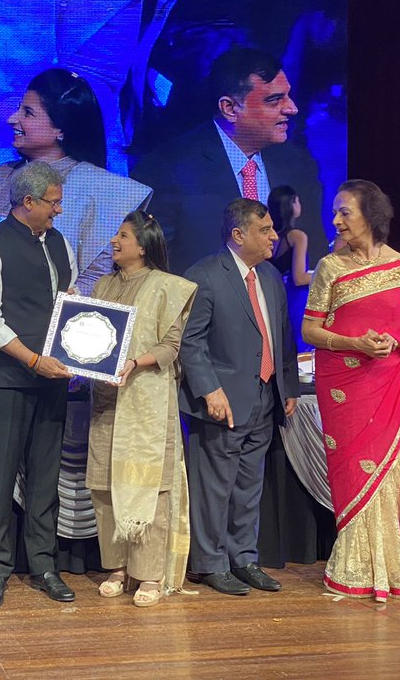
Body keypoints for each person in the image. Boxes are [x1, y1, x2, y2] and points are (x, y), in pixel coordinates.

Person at [301, 180, 400, 602]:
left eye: (344, 212)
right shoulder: (330, 268)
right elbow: (309, 329)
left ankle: (394, 569)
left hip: (393, 387)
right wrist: (355, 344)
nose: (335, 220)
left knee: (390, 474)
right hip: (345, 390)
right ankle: (354, 567)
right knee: (356, 472)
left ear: (370, 215)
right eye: (334, 212)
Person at [0, 161, 77, 608]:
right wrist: (34, 360)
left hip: (52, 379)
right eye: (53, 203)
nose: (59, 211)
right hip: (9, 380)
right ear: (27, 202)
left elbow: (66, 307)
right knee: (0, 475)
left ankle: (44, 564)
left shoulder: (59, 242)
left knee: (45, 476)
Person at [179, 198, 298, 596]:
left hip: (265, 398)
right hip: (222, 402)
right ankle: (210, 563)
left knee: (249, 485)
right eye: (265, 230)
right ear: (238, 234)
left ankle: (244, 558)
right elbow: (190, 341)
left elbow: (281, 336)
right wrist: (210, 389)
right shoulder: (205, 275)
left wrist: (289, 388)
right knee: (214, 486)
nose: (273, 236)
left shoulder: (268, 277)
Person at [131, 48, 325, 274]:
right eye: (274, 100)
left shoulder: (298, 164)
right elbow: (151, 268)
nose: (292, 108)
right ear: (230, 108)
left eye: (288, 96)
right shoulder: (166, 169)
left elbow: (315, 252)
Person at [87, 211, 196, 608]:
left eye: (123, 235)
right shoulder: (102, 284)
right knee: (104, 487)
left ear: (143, 245)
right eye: (116, 234)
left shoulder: (168, 287)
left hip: (146, 401)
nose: (115, 241)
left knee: (150, 487)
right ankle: (117, 569)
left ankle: (149, 574)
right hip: (106, 399)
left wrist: (136, 363)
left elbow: (171, 346)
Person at [0, 68, 153, 293]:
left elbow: (97, 279)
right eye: (17, 108)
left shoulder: (111, 192)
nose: (12, 119)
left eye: (27, 113)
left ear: (60, 128)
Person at [267, 184, 312, 351]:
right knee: (298, 347)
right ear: (292, 204)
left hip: (271, 296)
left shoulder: (268, 235)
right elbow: (299, 278)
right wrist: (325, 274)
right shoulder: (297, 236)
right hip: (293, 298)